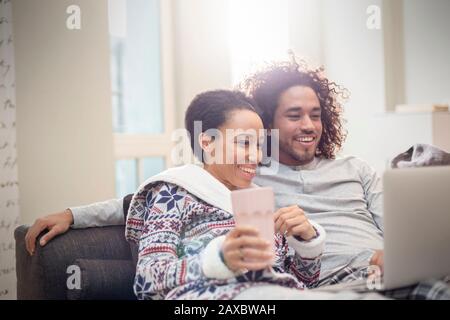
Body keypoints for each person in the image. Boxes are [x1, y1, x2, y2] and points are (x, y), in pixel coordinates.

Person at [25, 58, 450, 299]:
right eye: (244, 143)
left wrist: (309, 241)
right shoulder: (192, 189)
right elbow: (148, 258)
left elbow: (295, 276)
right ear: (208, 143)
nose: (254, 156)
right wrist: (73, 214)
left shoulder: (258, 196)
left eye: (316, 115)